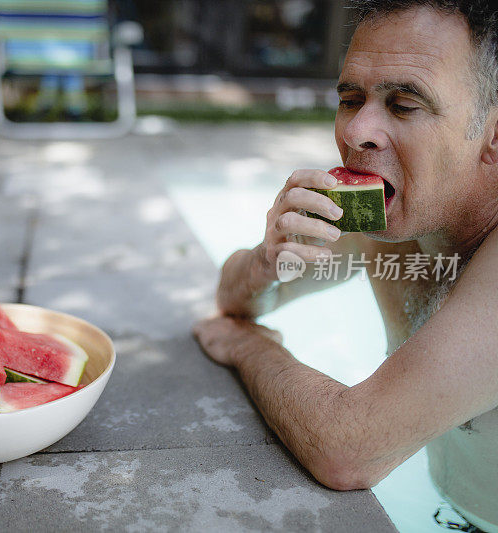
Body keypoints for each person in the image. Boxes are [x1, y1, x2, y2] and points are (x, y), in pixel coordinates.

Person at [192, 1, 498, 530]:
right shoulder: (393, 215)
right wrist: (269, 260)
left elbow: (349, 450)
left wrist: (246, 345)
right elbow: (233, 298)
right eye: (351, 98)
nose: (357, 132)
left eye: (404, 104)